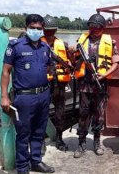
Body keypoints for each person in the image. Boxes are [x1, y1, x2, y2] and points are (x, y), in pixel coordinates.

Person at [0, 14, 55, 174]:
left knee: (39, 131)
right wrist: (4, 96)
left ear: (43, 29)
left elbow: (49, 68)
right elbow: (6, 72)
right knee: (23, 133)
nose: (36, 31)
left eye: (39, 28)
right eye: (33, 28)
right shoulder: (15, 46)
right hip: (24, 97)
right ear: (26, 28)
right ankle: (23, 168)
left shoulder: (45, 48)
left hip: (43, 95)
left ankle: (36, 161)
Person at [73, 13, 119, 158]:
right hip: (84, 85)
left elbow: (117, 62)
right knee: (83, 114)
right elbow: (74, 61)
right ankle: (81, 143)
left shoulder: (110, 42)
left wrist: (105, 75)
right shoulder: (81, 41)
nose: (94, 30)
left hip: (101, 84)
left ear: (103, 28)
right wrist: (71, 52)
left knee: (99, 115)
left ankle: (96, 142)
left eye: (97, 27)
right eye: (91, 26)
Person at [40, 15, 74, 151]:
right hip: (42, 84)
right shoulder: (36, 44)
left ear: (55, 31)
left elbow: (71, 63)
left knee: (60, 113)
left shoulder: (63, 44)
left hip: (59, 85)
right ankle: (40, 142)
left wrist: (71, 54)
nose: (49, 34)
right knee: (41, 113)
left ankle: (59, 139)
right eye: (47, 31)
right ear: (43, 30)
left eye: (51, 31)